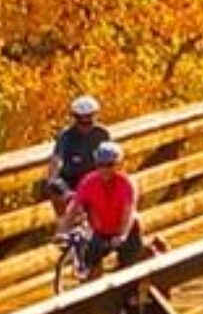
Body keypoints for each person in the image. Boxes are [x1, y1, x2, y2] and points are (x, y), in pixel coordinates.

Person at [59, 141, 144, 272]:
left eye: (109, 165)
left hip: (126, 229)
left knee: (130, 269)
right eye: (100, 165)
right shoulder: (88, 182)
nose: (104, 169)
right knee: (90, 264)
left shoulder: (127, 184)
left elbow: (129, 212)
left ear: (119, 165)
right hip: (101, 231)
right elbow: (73, 208)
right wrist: (62, 231)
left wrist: (123, 235)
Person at [45, 95, 109, 216]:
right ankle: (63, 225)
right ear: (75, 119)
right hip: (71, 181)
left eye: (89, 122)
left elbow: (113, 158)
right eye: (81, 122)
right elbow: (57, 160)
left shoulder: (102, 134)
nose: (85, 127)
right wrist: (52, 178)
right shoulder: (66, 136)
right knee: (56, 192)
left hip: (94, 180)